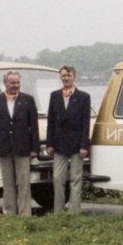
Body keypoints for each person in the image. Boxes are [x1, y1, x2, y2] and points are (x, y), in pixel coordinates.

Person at [0, 71, 40, 216]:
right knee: (8, 184)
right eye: (12, 83)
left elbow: (34, 125)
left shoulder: (28, 100)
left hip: (23, 148)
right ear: (6, 83)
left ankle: (24, 214)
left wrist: (35, 148)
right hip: (3, 148)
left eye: (17, 83)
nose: (15, 85)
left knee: (23, 183)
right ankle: (9, 212)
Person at [47, 65, 91, 214]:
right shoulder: (54, 95)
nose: (66, 78)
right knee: (57, 178)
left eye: (69, 75)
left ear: (74, 76)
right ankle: (58, 212)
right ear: (60, 77)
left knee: (75, 179)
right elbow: (51, 122)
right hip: (59, 144)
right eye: (64, 76)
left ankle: (74, 212)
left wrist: (84, 145)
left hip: (77, 144)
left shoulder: (84, 97)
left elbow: (86, 123)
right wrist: (49, 144)